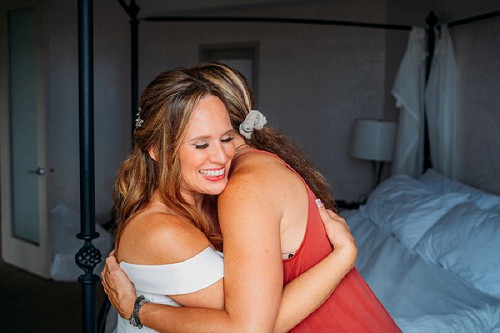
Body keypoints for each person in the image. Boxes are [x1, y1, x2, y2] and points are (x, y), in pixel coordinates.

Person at [102, 62, 401, 332]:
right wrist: (138, 310)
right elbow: (252, 327)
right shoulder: (160, 231)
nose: (221, 156)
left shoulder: (208, 200)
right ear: (156, 150)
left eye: (226, 138)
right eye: (201, 145)